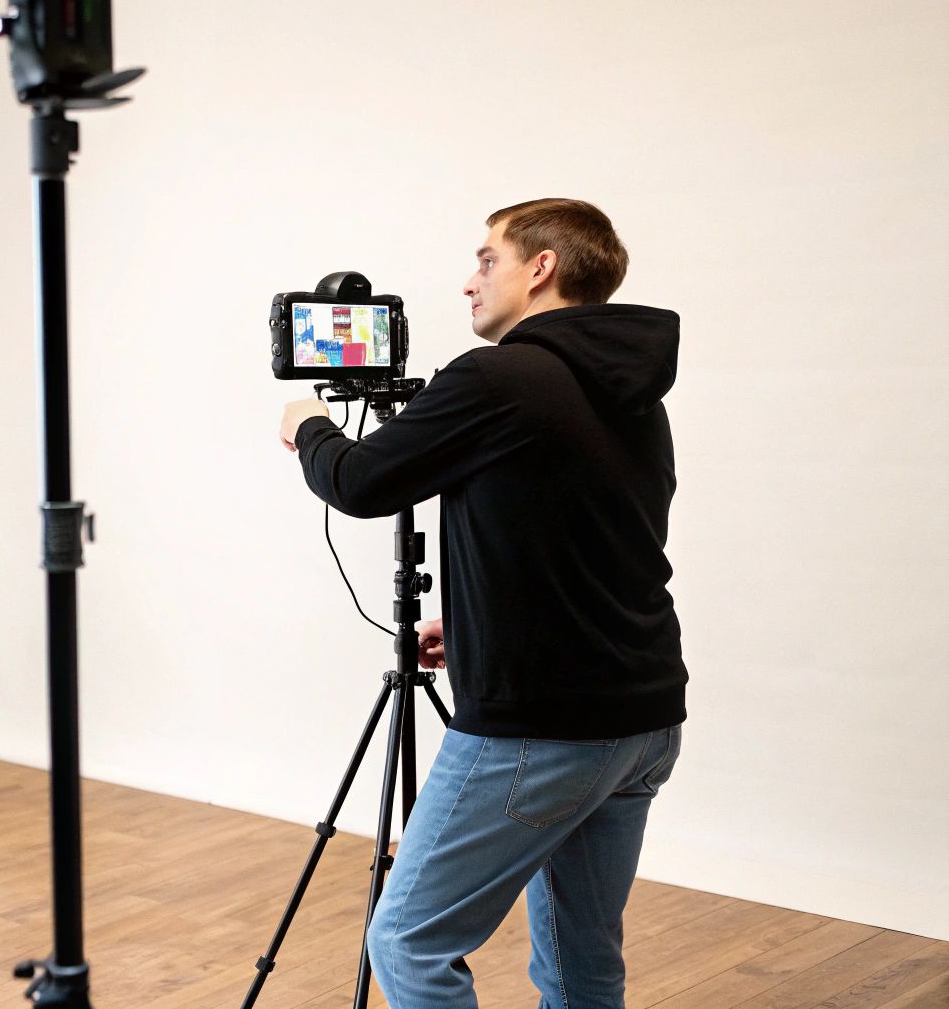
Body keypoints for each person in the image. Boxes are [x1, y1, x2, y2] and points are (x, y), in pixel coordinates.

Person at [275, 198, 687, 1008]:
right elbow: (585, 538)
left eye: (487, 260)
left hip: (543, 727)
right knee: (581, 958)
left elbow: (360, 482)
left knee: (407, 940)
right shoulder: (636, 391)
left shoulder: (501, 375)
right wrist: (466, 625)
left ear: (542, 268)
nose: (470, 282)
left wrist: (312, 427)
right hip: (642, 718)